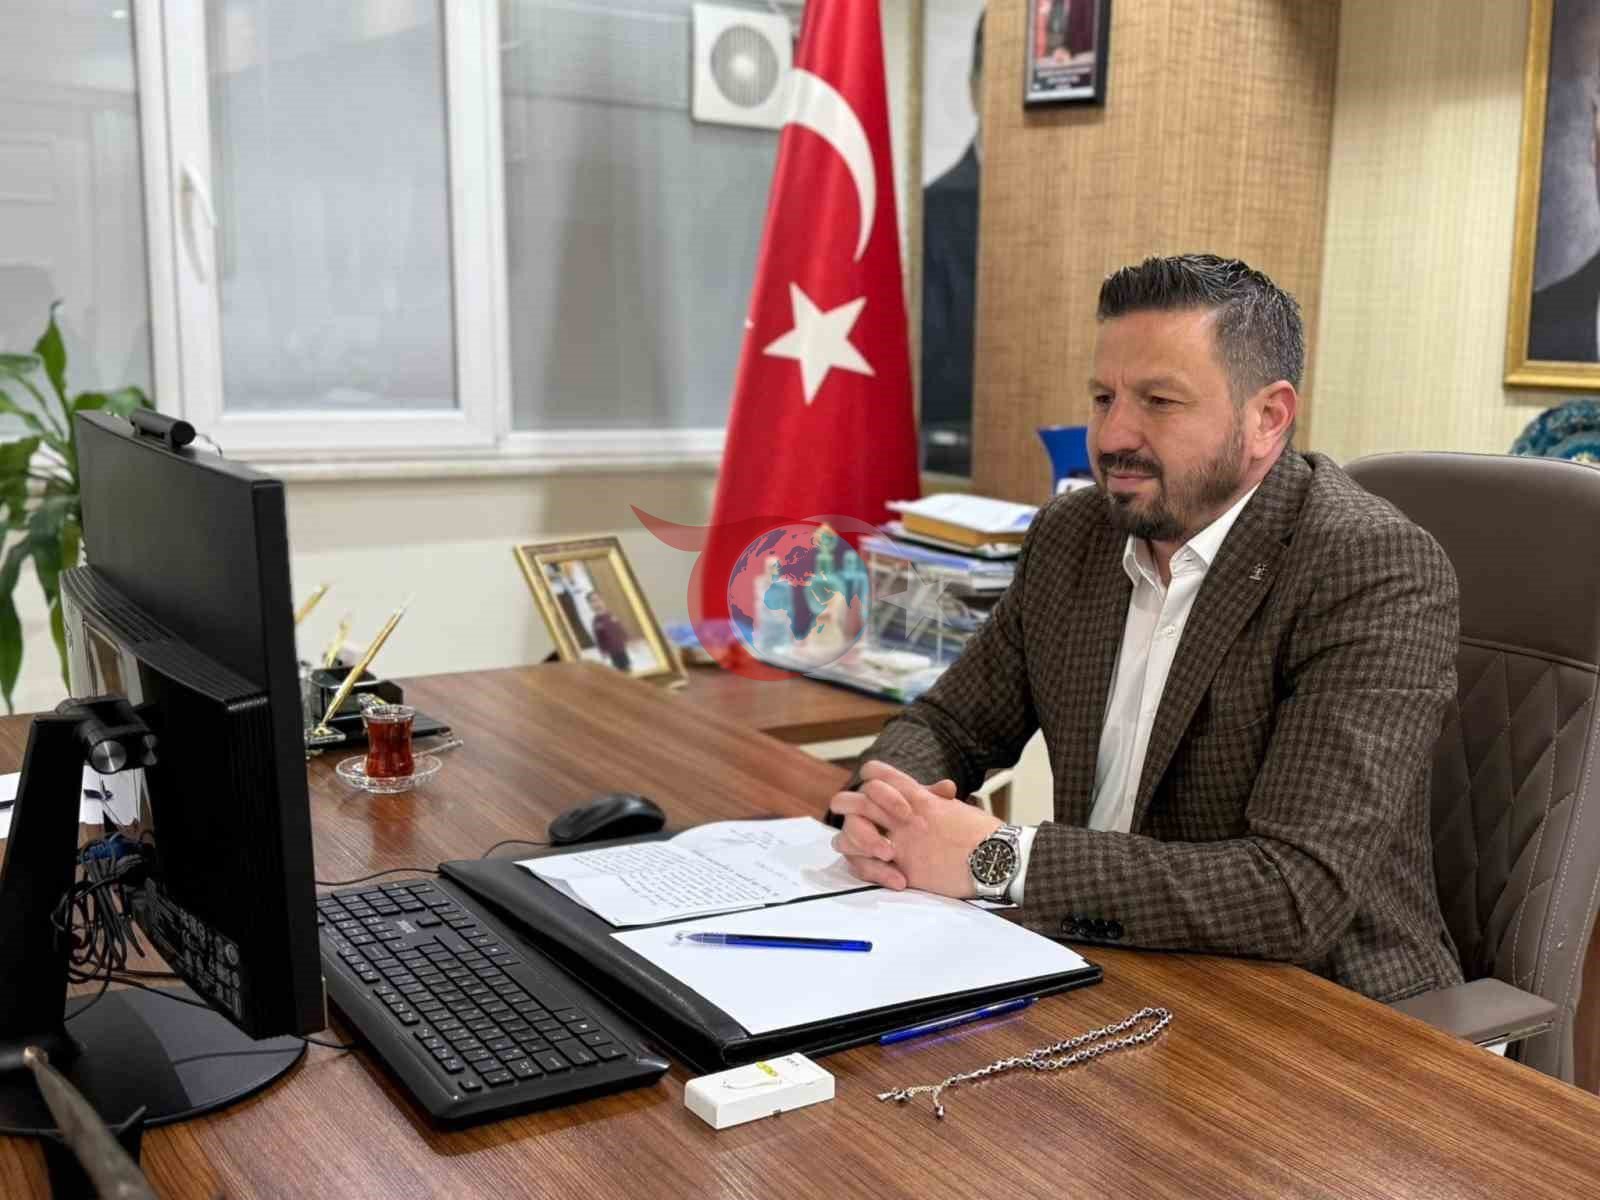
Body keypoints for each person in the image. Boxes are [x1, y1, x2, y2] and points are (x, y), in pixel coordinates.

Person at [828, 254, 1465, 1004]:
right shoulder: (1074, 535)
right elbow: (951, 725)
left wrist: (998, 858)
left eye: (1159, 402)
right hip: (1101, 962)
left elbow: (1294, 892)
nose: (1112, 435)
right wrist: (884, 806)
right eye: (1103, 398)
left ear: (1267, 418)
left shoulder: (1367, 567)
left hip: (1315, 1008)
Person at [587, 593, 632, 672]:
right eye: (593, 601)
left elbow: (620, 628)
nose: (597, 603)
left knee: (627, 666)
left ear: (602, 601)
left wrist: (627, 639)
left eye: (598, 600)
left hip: (621, 647)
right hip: (612, 651)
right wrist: (603, 651)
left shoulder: (611, 615)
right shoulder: (596, 621)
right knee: (620, 668)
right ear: (590, 605)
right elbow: (599, 639)